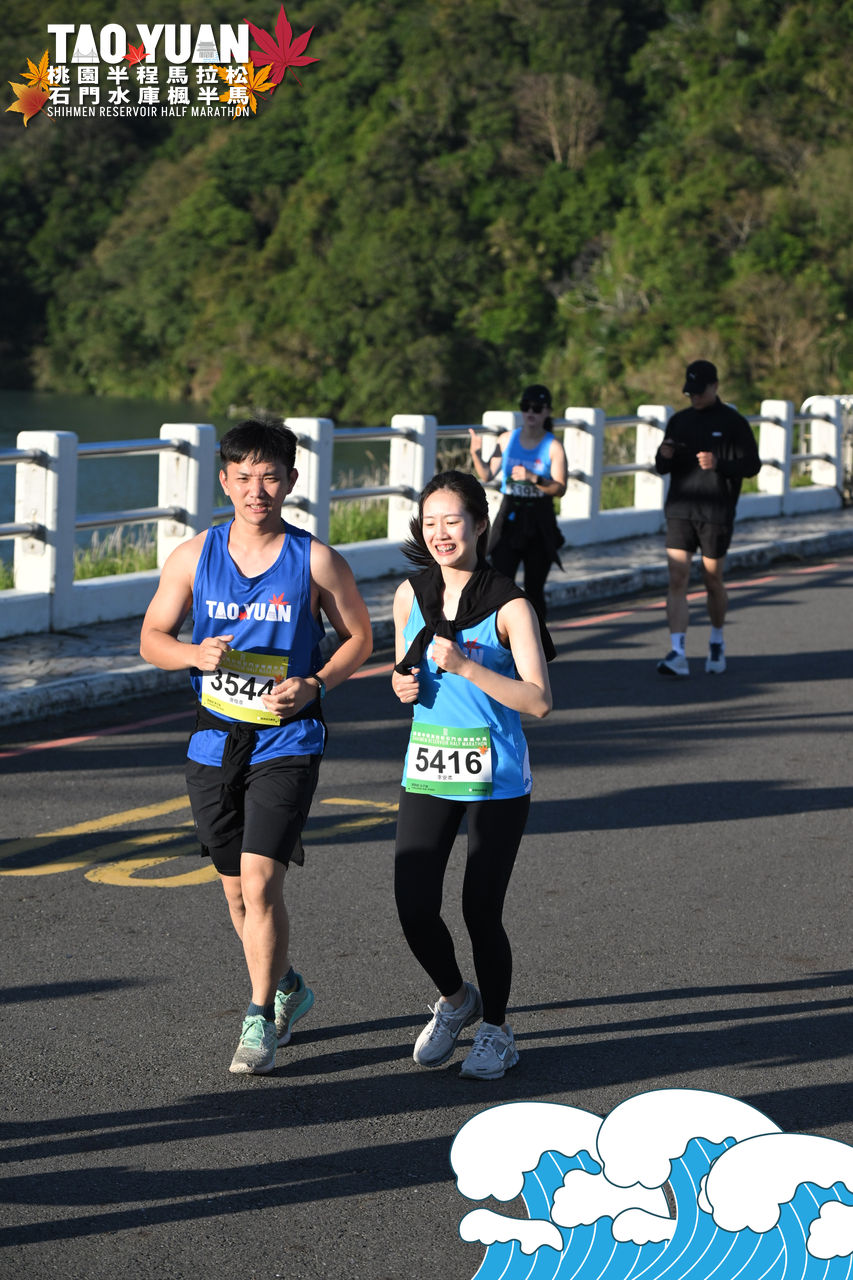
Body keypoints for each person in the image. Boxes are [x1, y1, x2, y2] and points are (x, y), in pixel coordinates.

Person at [140, 419, 372, 1075]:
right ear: (224, 481)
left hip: (287, 738)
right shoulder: (194, 556)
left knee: (261, 881)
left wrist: (315, 683)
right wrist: (193, 653)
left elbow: (359, 637)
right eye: (243, 477)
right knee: (236, 894)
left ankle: (259, 1015)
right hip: (215, 739)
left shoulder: (315, 560)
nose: (256, 490)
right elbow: (152, 638)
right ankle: (288, 985)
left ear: (291, 481)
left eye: (269, 477)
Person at [390, 469, 553, 1080]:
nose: (440, 533)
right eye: (430, 522)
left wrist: (467, 667)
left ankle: (498, 1030)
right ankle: (457, 1000)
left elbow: (539, 700)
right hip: (429, 766)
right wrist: (401, 686)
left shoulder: (510, 605)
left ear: (480, 525)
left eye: (452, 521)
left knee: (480, 909)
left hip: (496, 778)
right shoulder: (409, 595)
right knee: (413, 906)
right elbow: (403, 672)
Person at [654, 360, 761, 676]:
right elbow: (662, 466)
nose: (695, 397)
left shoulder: (733, 423)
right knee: (677, 577)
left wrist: (719, 464)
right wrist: (664, 455)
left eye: (699, 391)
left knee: (712, 580)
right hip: (680, 510)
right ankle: (678, 652)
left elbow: (752, 465)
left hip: (716, 513)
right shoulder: (679, 420)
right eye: (690, 392)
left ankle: (716, 639)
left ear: (715, 386)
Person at [468, 383, 567, 621]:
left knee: (534, 589)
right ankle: (502, 638)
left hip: (539, 519)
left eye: (537, 408)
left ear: (547, 411)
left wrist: (535, 479)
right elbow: (487, 475)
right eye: (526, 407)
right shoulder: (506, 439)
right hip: (510, 516)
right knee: (500, 585)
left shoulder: (553, 447)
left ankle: (538, 639)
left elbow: (560, 488)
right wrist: (475, 454)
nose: (530, 412)